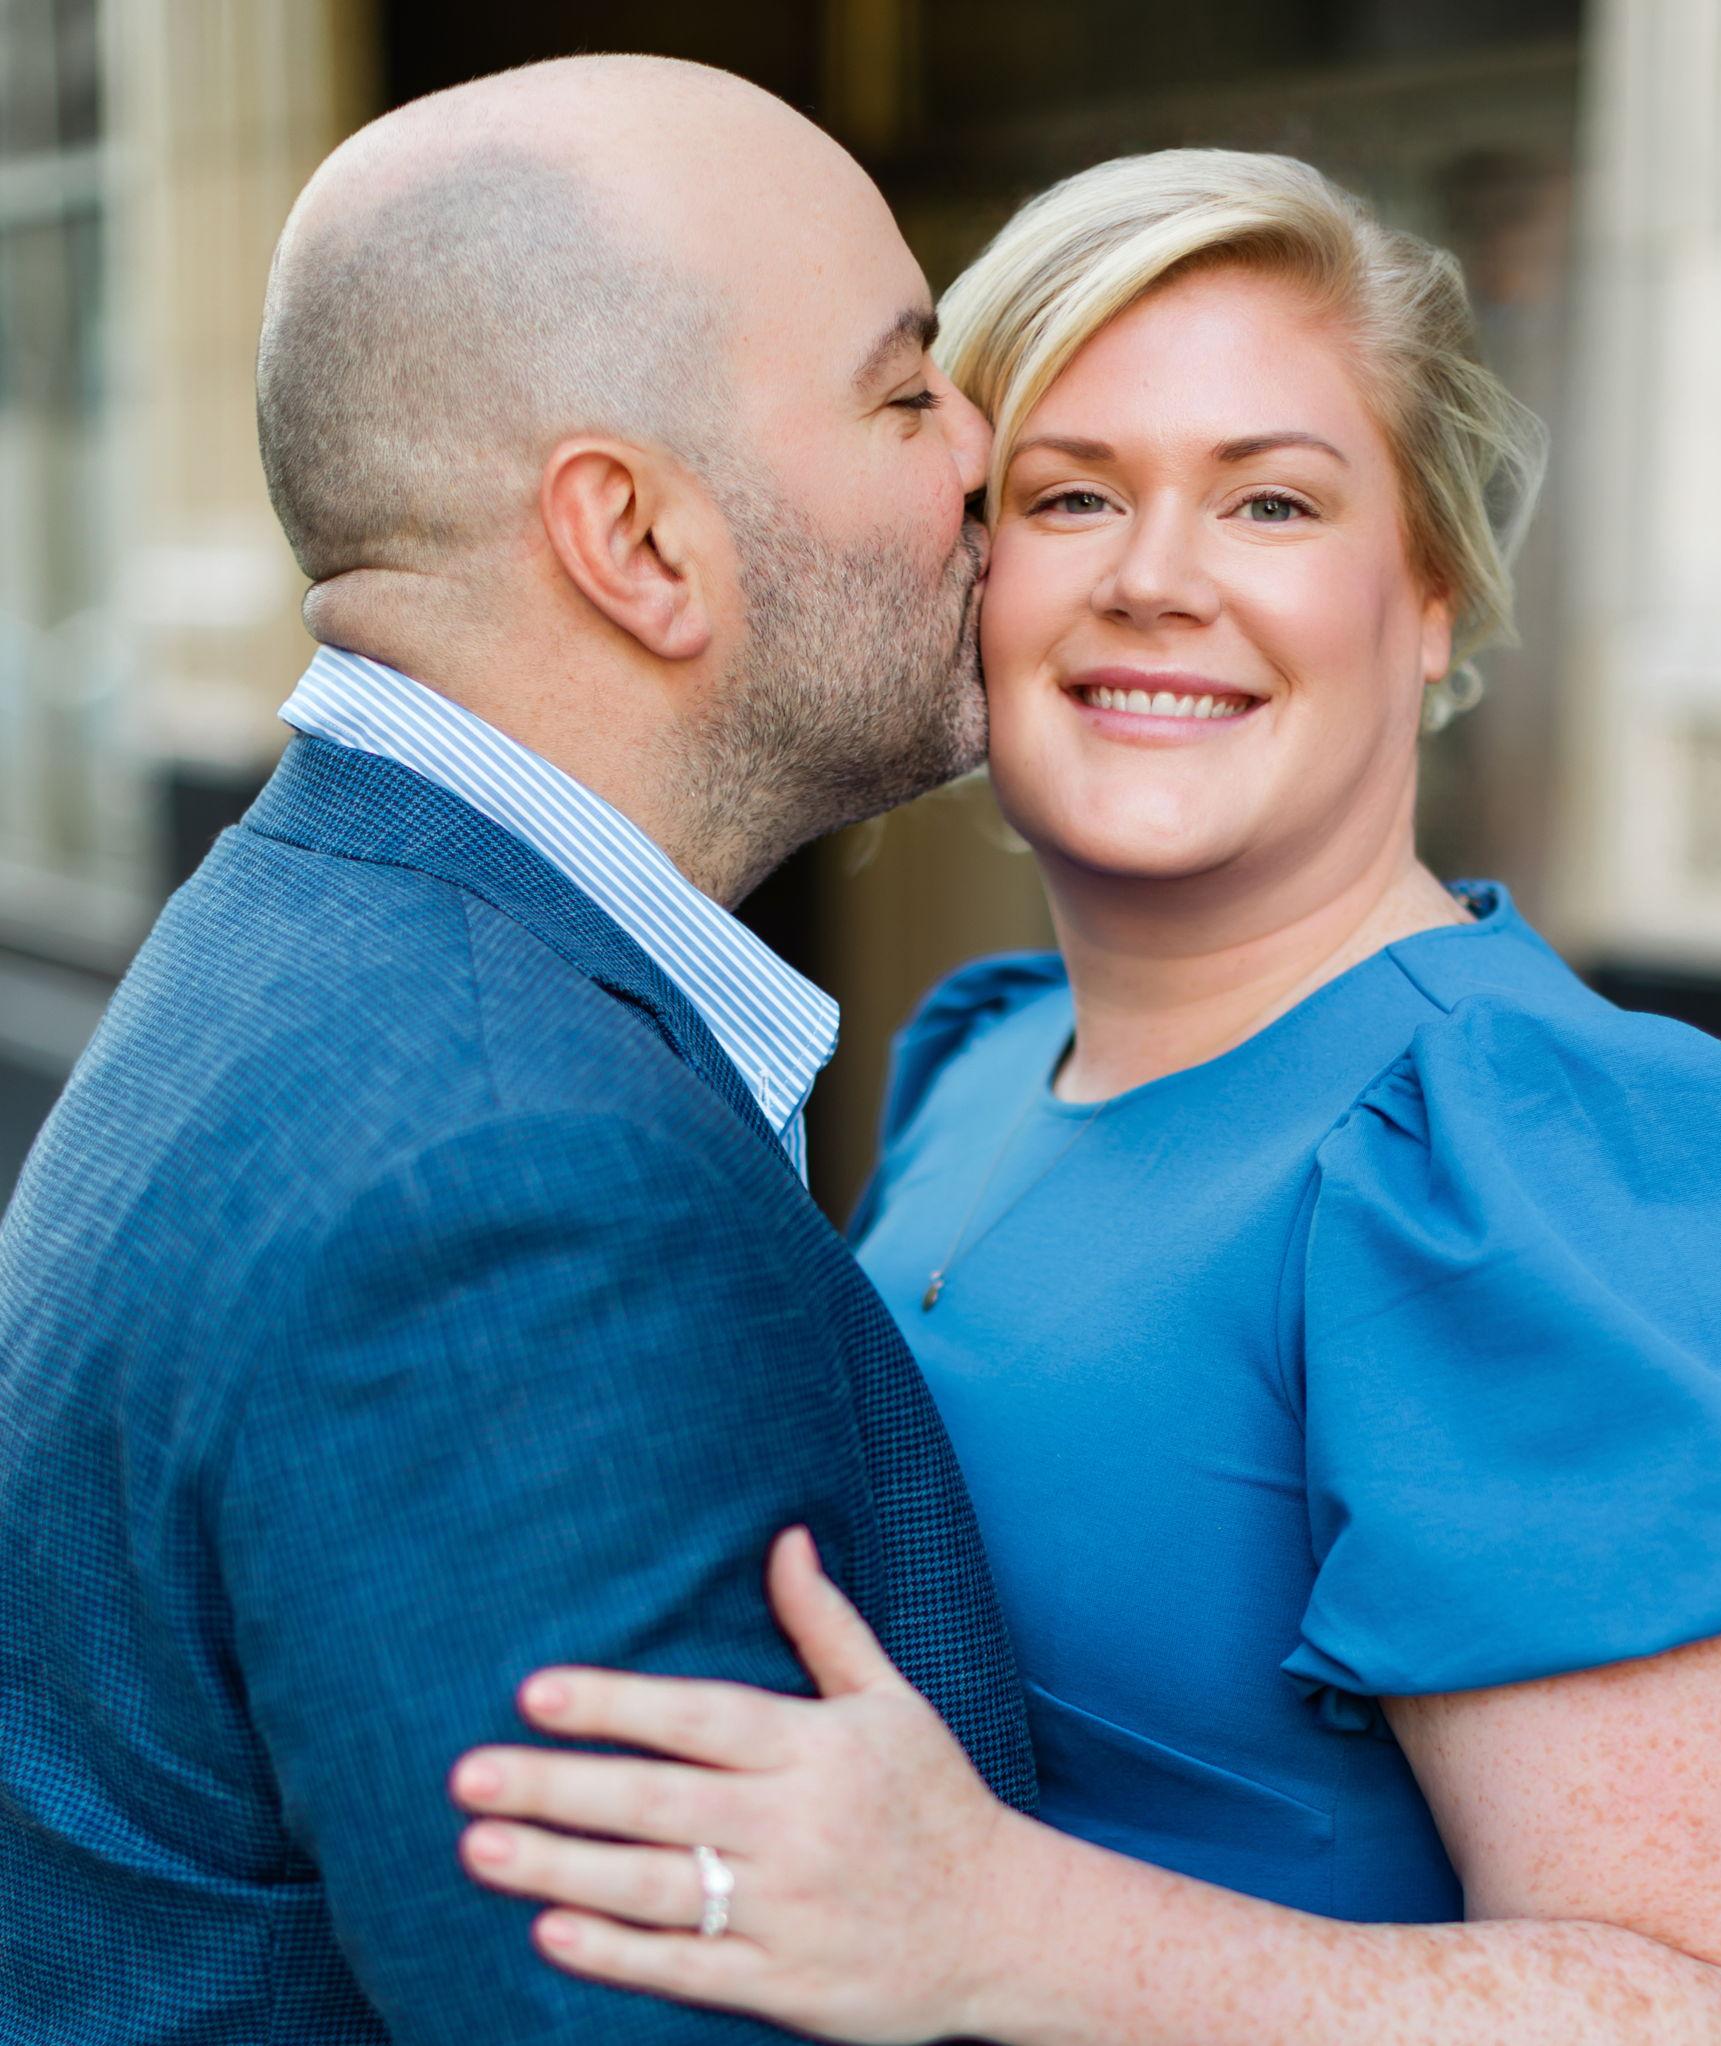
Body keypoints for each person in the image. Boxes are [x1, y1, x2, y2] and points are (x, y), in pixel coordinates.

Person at [449, 150, 1721, 2043]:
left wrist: (1004, 1923)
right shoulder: (982, 1060)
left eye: (1271, 501)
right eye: (1071, 495)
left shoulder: (1543, 1149)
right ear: (968, 574)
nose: (1156, 580)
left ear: (1428, 597)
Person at [0, 55, 1036, 2043]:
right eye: (906, 392)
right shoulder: (513, 1186)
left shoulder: (309, 940)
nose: (984, 451)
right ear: (634, 540)